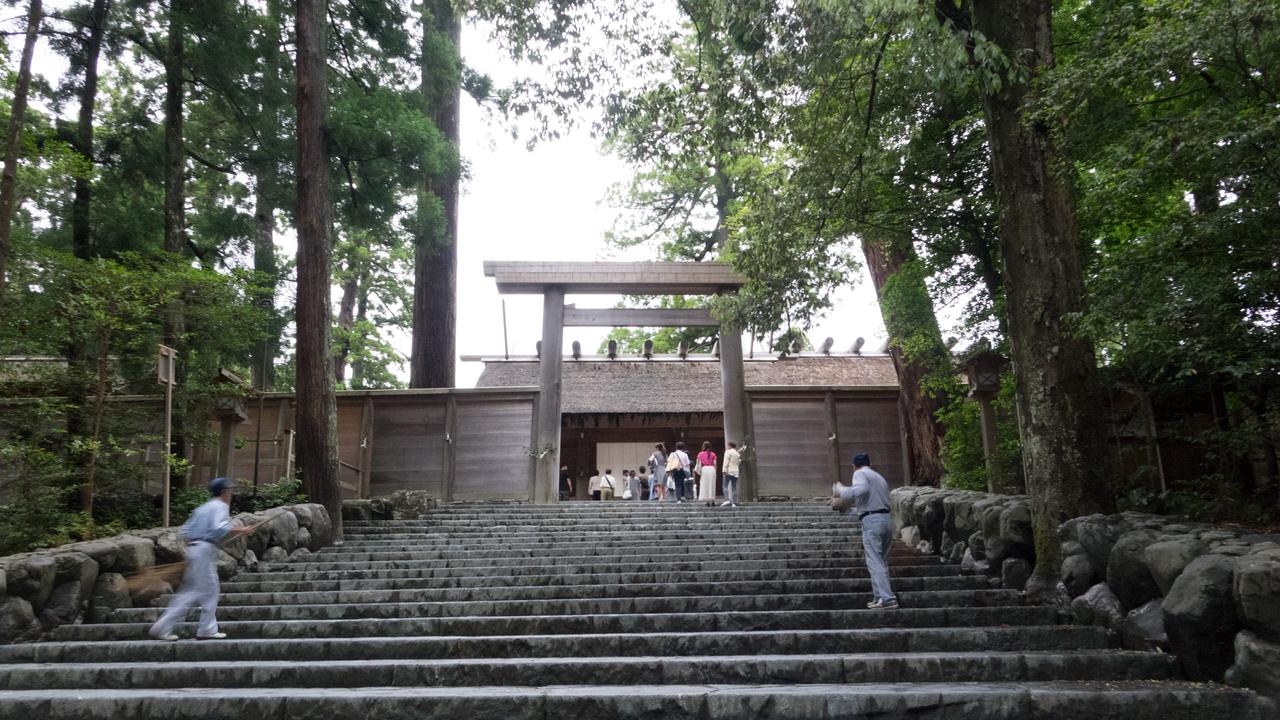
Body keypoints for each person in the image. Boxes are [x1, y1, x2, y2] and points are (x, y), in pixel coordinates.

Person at [149, 477, 253, 641]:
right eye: (230, 490)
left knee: (207, 590)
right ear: (224, 491)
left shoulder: (203, 508)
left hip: (195, 548)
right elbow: (219, 528)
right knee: (195, 591)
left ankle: (206, 629)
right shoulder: (220, 506)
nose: (231, 493)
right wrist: (242, 530)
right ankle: (164, 626)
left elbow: (186, 531)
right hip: (204, 549)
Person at [833, 452, 898, 610]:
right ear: (870, 464)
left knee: (875, 561)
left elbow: (860, 489)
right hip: (885, 520)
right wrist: (845, 510)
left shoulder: (860, 473)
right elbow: (869, 507)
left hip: (872, 523)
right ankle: (879, 597)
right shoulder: (879, 477)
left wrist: (839, 489)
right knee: (880, 561)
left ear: (853, 466)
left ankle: (887, 599)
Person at [696, 441, 718, 506]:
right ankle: (713, 501)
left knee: (705, 485)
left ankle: (707, 502)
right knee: (712, 485)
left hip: (705, 469)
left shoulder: (700, 454)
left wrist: (699, 471)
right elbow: (715, 464)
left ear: (703, 446)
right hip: (712, 469)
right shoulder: (713, 454)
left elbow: (699, 464)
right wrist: (715, 471)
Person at [721, 441, 742, 507]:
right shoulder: (737, 454)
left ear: (730, 446)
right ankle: (734, 503)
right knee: (734, 487)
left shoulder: (728, 452)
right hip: (736, 472)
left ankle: (727, 500)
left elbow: (726, 461)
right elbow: (739, 463)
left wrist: (724, 470)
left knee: (725, 485)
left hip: (729, 471)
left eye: (728, 446)